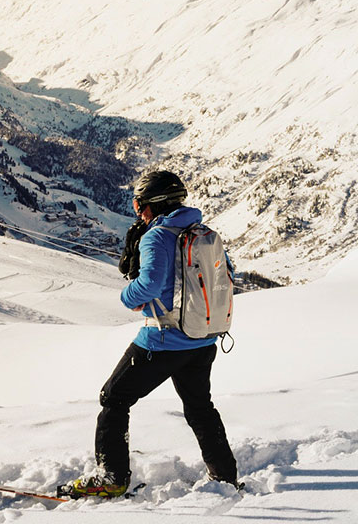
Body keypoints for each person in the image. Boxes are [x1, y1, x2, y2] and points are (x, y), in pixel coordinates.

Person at [59, 170, 240, 499]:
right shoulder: (204, 232)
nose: (139, 213)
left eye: (139, 206)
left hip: (162, 341)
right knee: (200, 407)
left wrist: (128, 297)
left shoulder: (157, 236)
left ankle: (111, 477)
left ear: (153, 204)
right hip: (203, 340)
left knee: (113, 399)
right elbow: (226, 275)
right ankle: (225, 476)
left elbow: (149, 285)